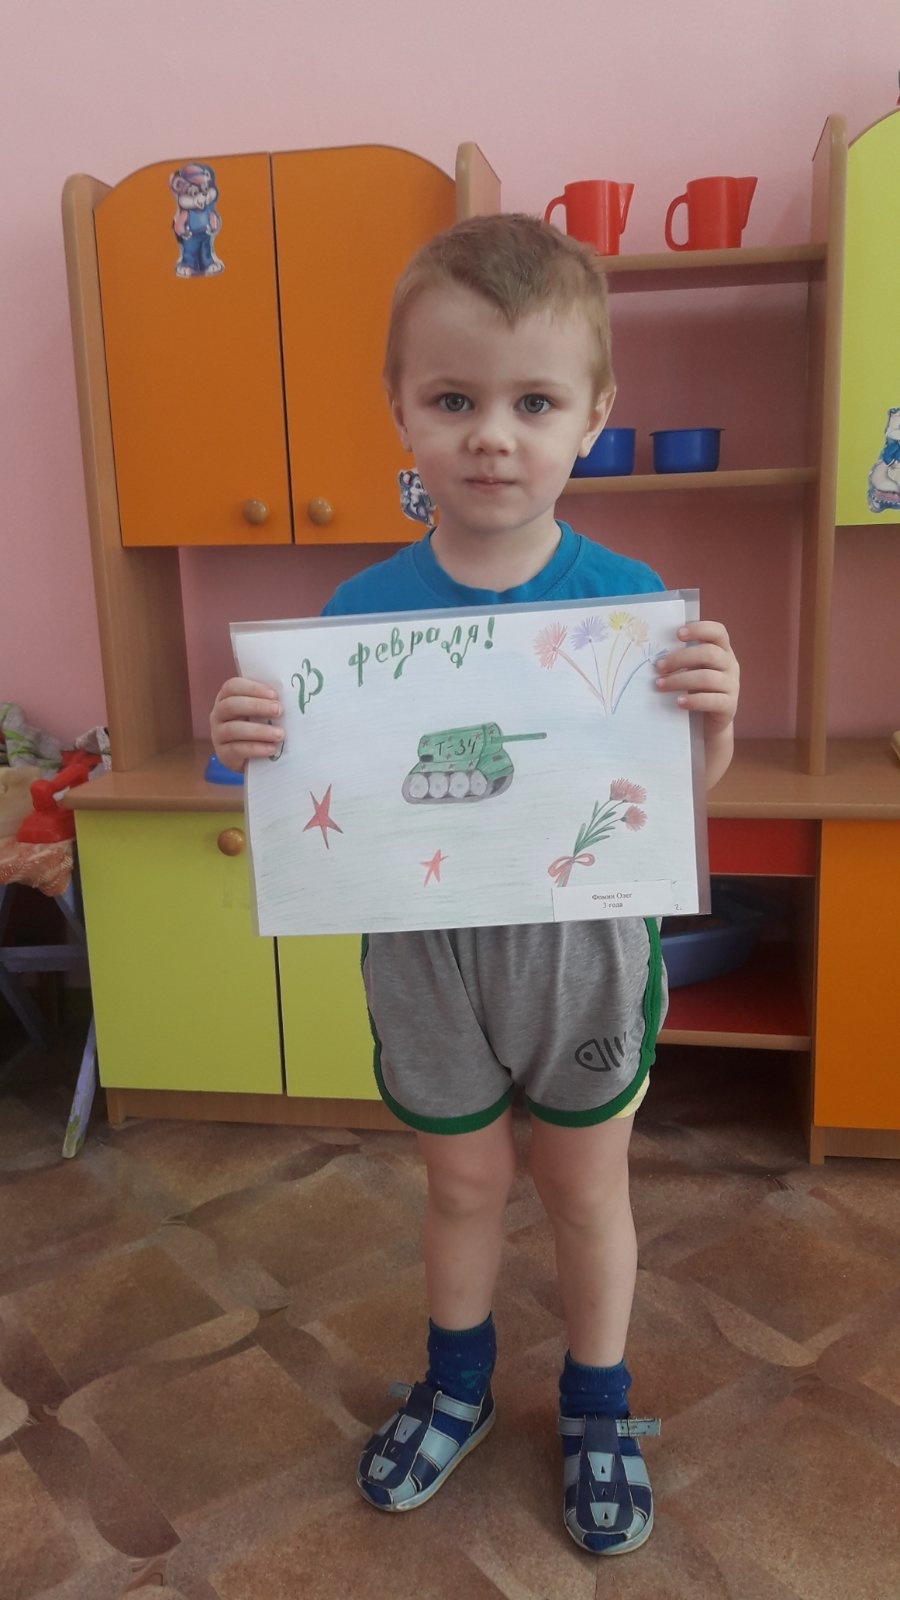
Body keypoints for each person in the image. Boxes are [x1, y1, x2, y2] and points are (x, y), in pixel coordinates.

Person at [210, 213, 740, 1556]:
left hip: (582, 958)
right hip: (425, 959)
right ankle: (456, 1387)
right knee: (460, 1188)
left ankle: (598, 1407)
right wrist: (251, 741)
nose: (492, 436)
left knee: (586, 1190)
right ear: (400, 410)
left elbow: (671, 797)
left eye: (533, 402)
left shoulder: (631, 605)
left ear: (595, 415)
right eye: (454, 400)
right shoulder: (350, 620)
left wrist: (714, 722)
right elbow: (306, 797)